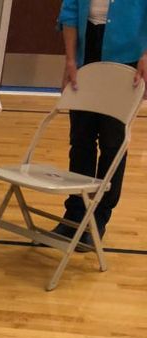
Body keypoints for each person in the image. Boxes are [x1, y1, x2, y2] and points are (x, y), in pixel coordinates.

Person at [54, 0, 147, 243]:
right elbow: (70, 12)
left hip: (128, 57)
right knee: (81, 140)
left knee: (112, 142)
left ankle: (99, 218)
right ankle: (75, 213)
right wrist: (71, 60)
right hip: (87, 51)